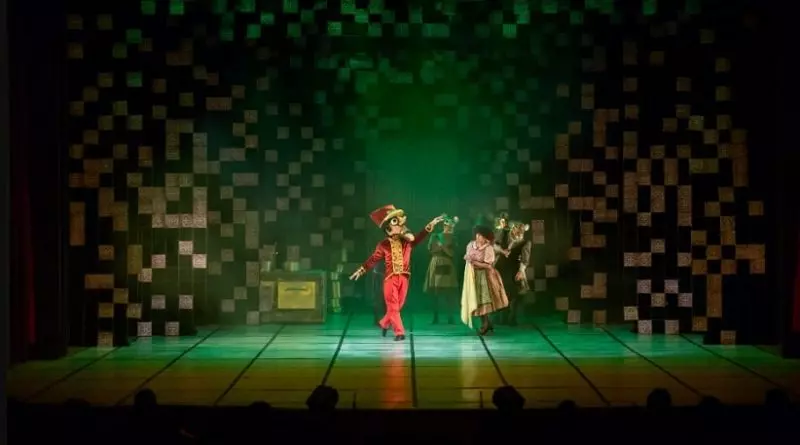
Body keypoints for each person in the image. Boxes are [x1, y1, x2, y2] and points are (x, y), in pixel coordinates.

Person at [350, 205, 446, 341]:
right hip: (390, 279)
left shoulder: (407, 243)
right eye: (395, 221)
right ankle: (399, 333)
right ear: (388, 228)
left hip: (404, 278)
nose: (401, 224)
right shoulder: (383, 245)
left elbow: (418, 237)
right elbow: (373, 259)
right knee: (393, 307)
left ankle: (384, 323)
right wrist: (361, 270)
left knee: (397, 307)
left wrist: (431, 224)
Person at [461, 225, 509, 335]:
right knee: (477, 300)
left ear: (486, 238)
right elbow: (468, 256)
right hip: (473, 275)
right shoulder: (470, 245)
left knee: (484, 300)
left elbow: (488, 265)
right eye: (477, 235)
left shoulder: (488, 248)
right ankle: (488, 323)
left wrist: (473, 261)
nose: (478, 237)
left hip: (486, 276)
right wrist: (468, 260)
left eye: (481, 236)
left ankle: (486, 324)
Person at [494, 221, 532, 326]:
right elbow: (494, 245)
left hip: (514, 269)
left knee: (518, 293)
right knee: (501, 292)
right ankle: (502, 316)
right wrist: (502, 251)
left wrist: (521, 271)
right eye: (517, 230)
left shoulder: (525, 242)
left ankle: (513, 316)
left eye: (521, 231)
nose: (519, 232)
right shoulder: (504, 235)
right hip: (501, 268)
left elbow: (525, 258)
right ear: (513, 229)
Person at [423, 215, 460, 324]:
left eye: (451, 224)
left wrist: (442, 247)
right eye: (448, 224)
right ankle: (436, 316)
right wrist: (441, 248)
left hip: (447, 262)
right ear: (444, 225)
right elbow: (431, 249)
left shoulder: (453, 238)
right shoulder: (435, 236)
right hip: (436, 262)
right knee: (436, 292)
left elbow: (452, 253)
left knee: (449, 291)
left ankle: (450, 317)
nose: (450, 226)